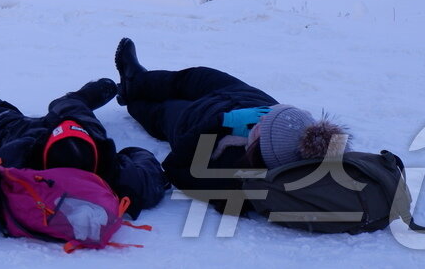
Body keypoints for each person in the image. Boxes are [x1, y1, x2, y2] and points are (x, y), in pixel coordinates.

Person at [112, 37, 346, 215]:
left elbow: (175, 167)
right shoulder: (291, 132)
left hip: (196, 120)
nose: (262, 119)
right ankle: (136, 80)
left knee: (163, 111)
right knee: (196, 76)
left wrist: (219, 122)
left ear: (261, 147)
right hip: (242, 97)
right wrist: (266, 112)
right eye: (268, 117)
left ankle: (130, 96)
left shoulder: (233, 175)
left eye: (264, 126)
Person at [0, 76, 169, 213]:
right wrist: (127, 154)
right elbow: (147, 165)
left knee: (0, 121)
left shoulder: (21, 155)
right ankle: (78, 99)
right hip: (84, 131)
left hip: (33, 136)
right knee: (70, 106)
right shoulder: (118, 174)